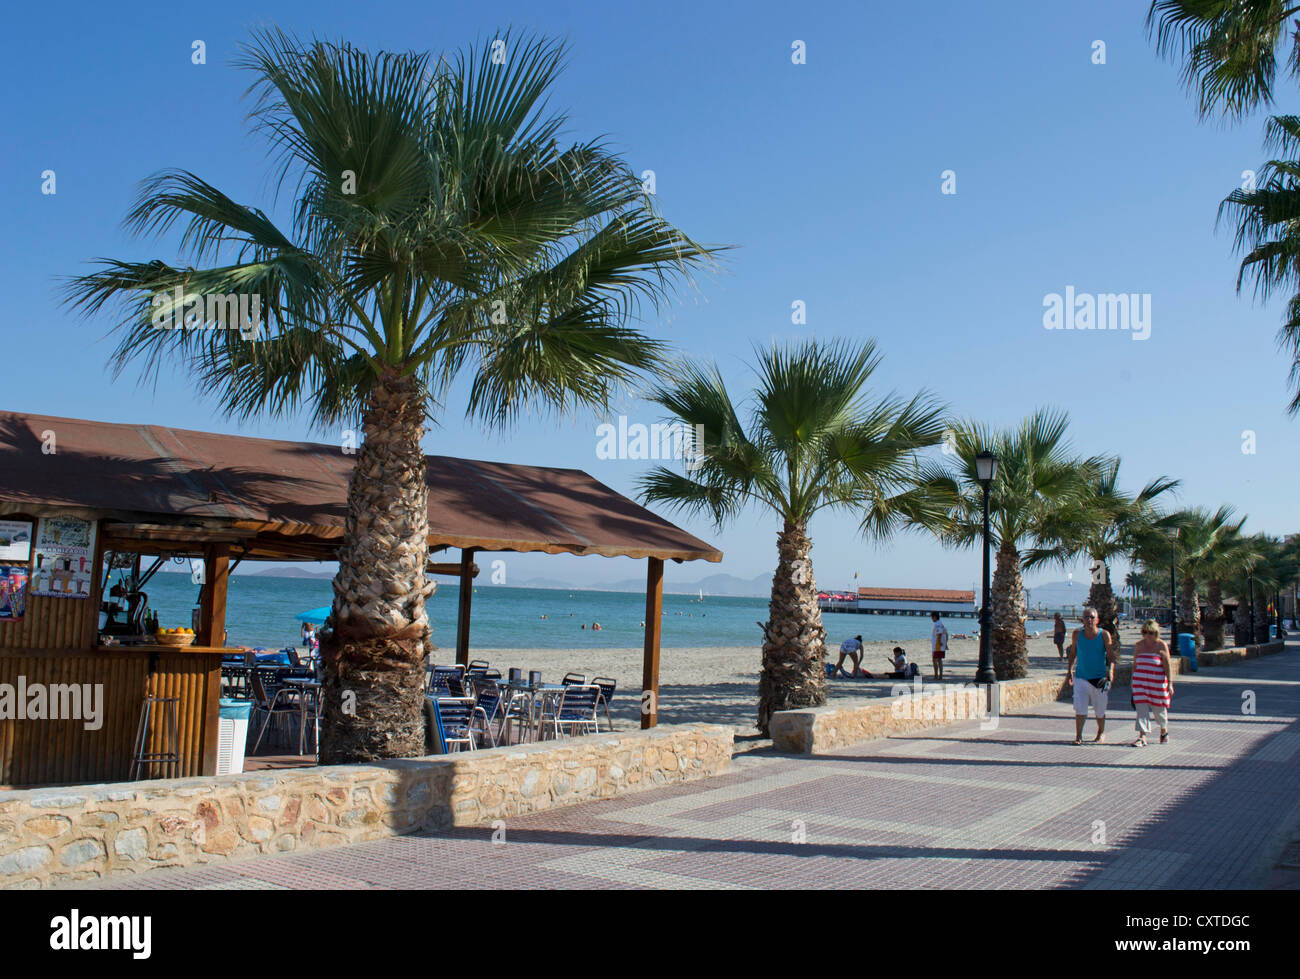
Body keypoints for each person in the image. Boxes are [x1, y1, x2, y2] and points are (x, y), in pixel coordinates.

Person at [1067, 607, 1117, 744]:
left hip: (1099, 679)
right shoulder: (1077, 634)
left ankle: (1101, 732)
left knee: (1099, 710)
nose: (1089, 620)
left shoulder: (1104, 635)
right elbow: (1073, 654)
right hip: (1081, 677)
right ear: (1082, 619)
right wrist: (1069, 671)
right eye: (1086, 617)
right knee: (1080, 708)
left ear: (1097, 620)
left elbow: (1111, 657)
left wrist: (1110, 672)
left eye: (1092, 617)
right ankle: (1078, 736)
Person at [1131, 618, 1174, 747]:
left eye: (1151, 633)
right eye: (1145, 632)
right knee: (1141, 710)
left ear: (1156, 633)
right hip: (1140, 683)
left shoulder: (1161, 645)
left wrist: (1170, 684)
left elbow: (1167, 666)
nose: (1147, 635)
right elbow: (1135, 664)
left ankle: (1163, 730)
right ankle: (1142, 736)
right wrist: (1132, 680)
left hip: (1157, 684)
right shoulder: (1139, 645)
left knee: (1159, 711)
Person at [930, 612, 948, 679]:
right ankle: (940, 675)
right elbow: (946, 634)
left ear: (934, 617)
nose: (931, 619)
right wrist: (945, 643)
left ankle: (936, 675)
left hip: (937, 645)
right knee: (939, 660)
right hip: (941, 644)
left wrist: (939, 641)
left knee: (935, 660)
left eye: (932, 617)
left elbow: (939, 633)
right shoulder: (942, 624)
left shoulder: (937, 624)